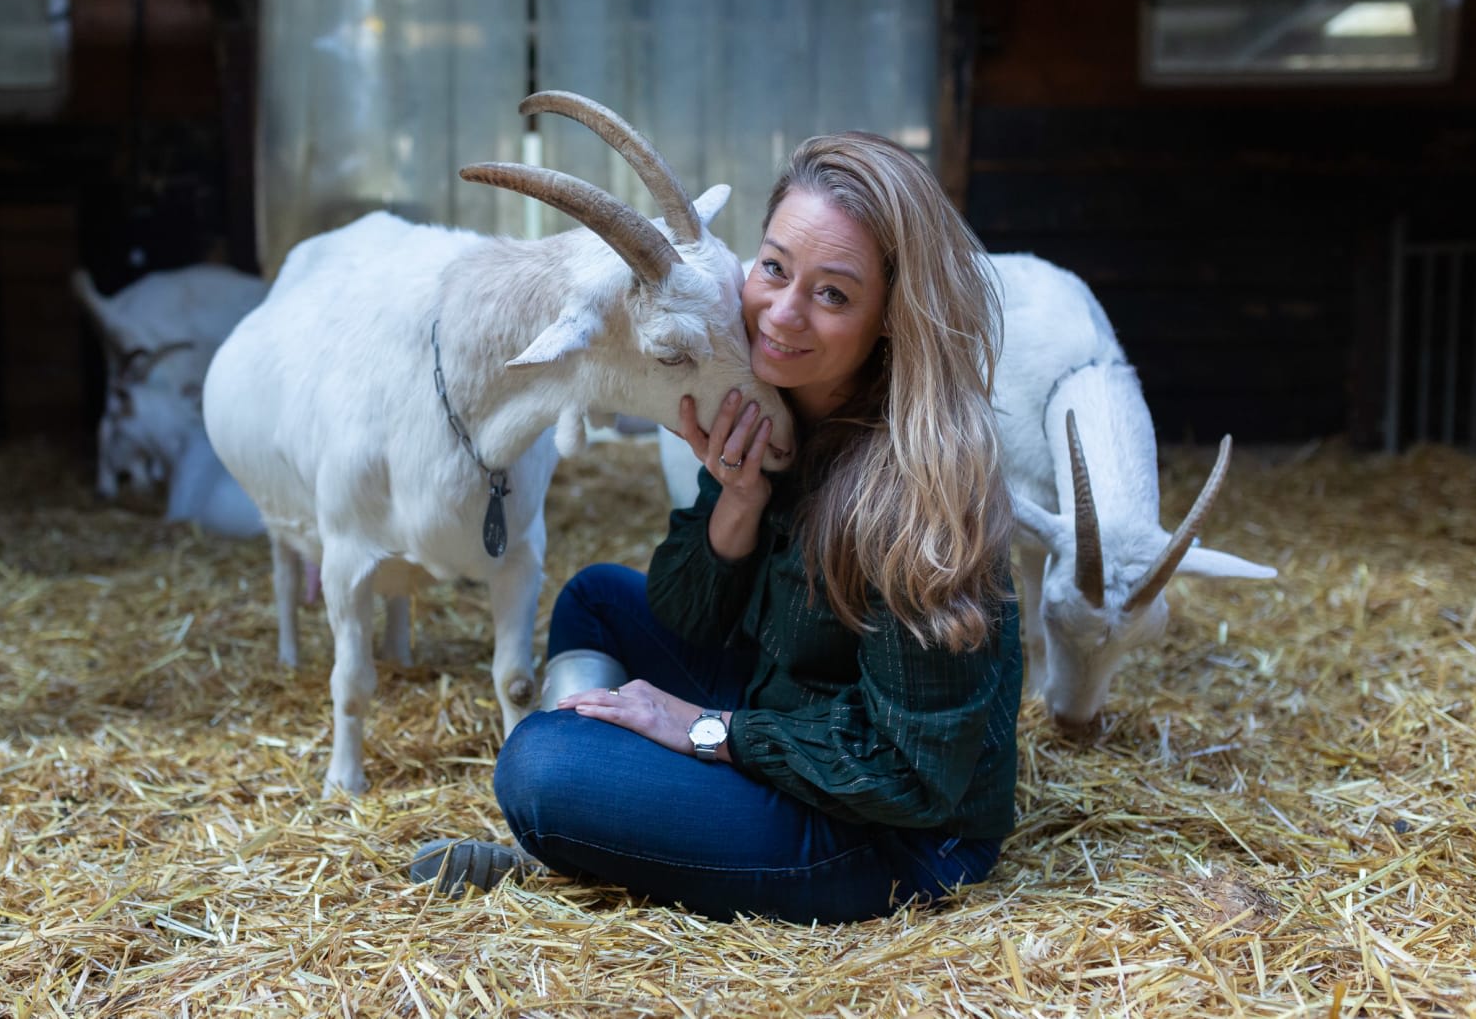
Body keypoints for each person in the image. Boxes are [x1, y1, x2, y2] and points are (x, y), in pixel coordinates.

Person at [411, 131, 1022, 924]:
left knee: (539, 768)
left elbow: (910, 772)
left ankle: (582, 822)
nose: (782, 313)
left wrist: (703, 729)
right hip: (789, 703)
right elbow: (684, 615)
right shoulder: (772, 398)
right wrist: (738, 502)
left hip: (890, 835)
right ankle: (625, 809)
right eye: (773, 268)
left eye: (833, 294)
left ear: (888, 317)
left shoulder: (921, 484)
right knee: (596, 599)